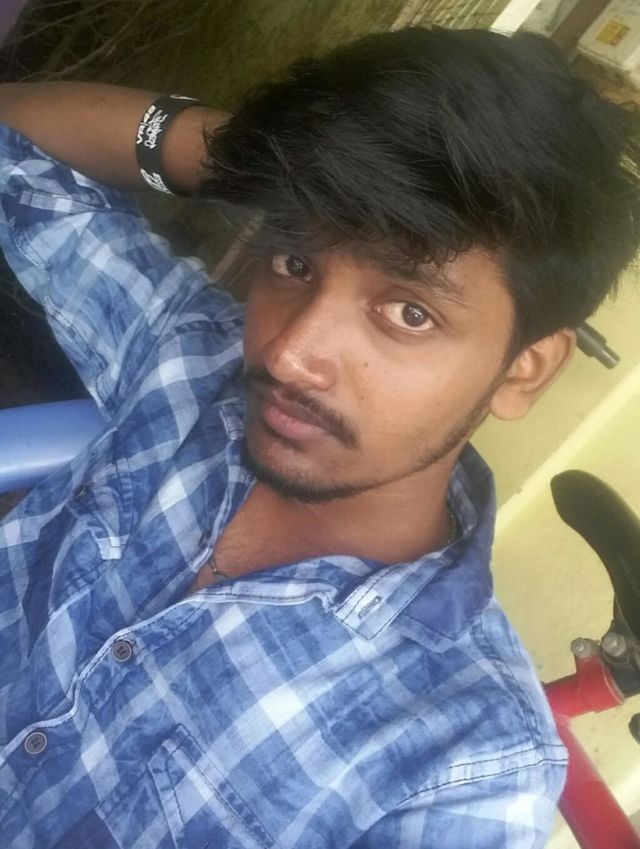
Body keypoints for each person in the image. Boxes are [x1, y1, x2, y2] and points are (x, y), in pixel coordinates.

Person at [0, 25, 638, 849]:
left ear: (524, 371)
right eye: (295, 261)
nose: (288, 353)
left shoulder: (464, 771)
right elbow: (14, 144)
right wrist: (257, 161)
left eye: (408, 311)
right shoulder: (191, 365)